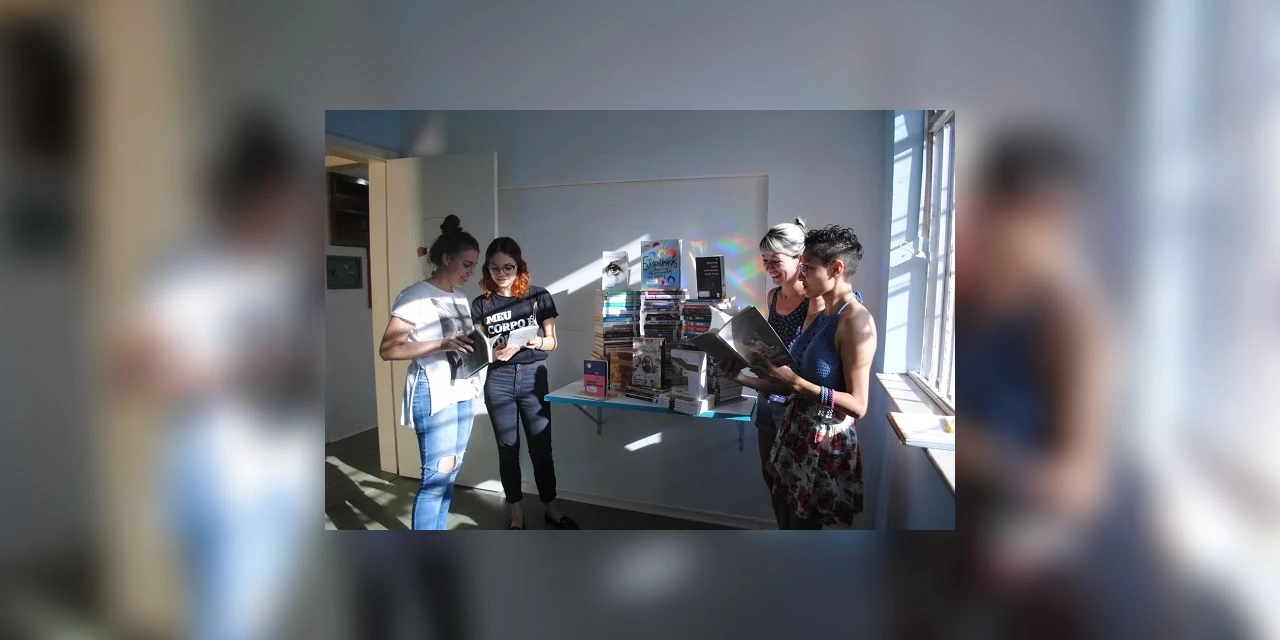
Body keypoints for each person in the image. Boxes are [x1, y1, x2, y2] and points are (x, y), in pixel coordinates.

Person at [731, 225, 877, 529]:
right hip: (796, 432)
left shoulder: (855, 320)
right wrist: (741, 378)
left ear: (835, 269)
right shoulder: (823, 316)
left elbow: (859, 405)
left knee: (803, 527)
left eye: (808, 267)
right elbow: (793, 380)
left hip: (822, 441)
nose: (802, 274)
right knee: (786, 518)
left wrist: (795, 383)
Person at [378, 215, 482, 530]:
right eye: (466, 264)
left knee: (451, 470)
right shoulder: (415, 295)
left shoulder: (460, 298)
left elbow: (462, 344)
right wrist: (441, 344)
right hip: (433, 389)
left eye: (474, 265)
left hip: (462, 389)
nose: (471, 271)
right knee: (436, 475)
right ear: (446, 258)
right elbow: (388, 349)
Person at [471, 237, 579, 530]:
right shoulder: (481, 304)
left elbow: (552, 342)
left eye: (508, 267)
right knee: (507, 448)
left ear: (519, 267)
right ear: (487, 269)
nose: (501, 274)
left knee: (541, 446)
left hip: (533, 377)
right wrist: (493, 353)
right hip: (499, 380)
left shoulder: (539, 296)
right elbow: (480, 350)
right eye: (494, 268)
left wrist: (535, 342)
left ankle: (551, 508)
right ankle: (516, 512)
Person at [751, 219, 825, 527]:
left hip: (794, 406)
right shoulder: (771, 297)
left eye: (775, 261)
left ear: (799, 259)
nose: (768, 267)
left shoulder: (814, 301)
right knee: (771, 478)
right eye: (764, 260)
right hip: (766, 401)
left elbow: (809, 361)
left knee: (796, 487)